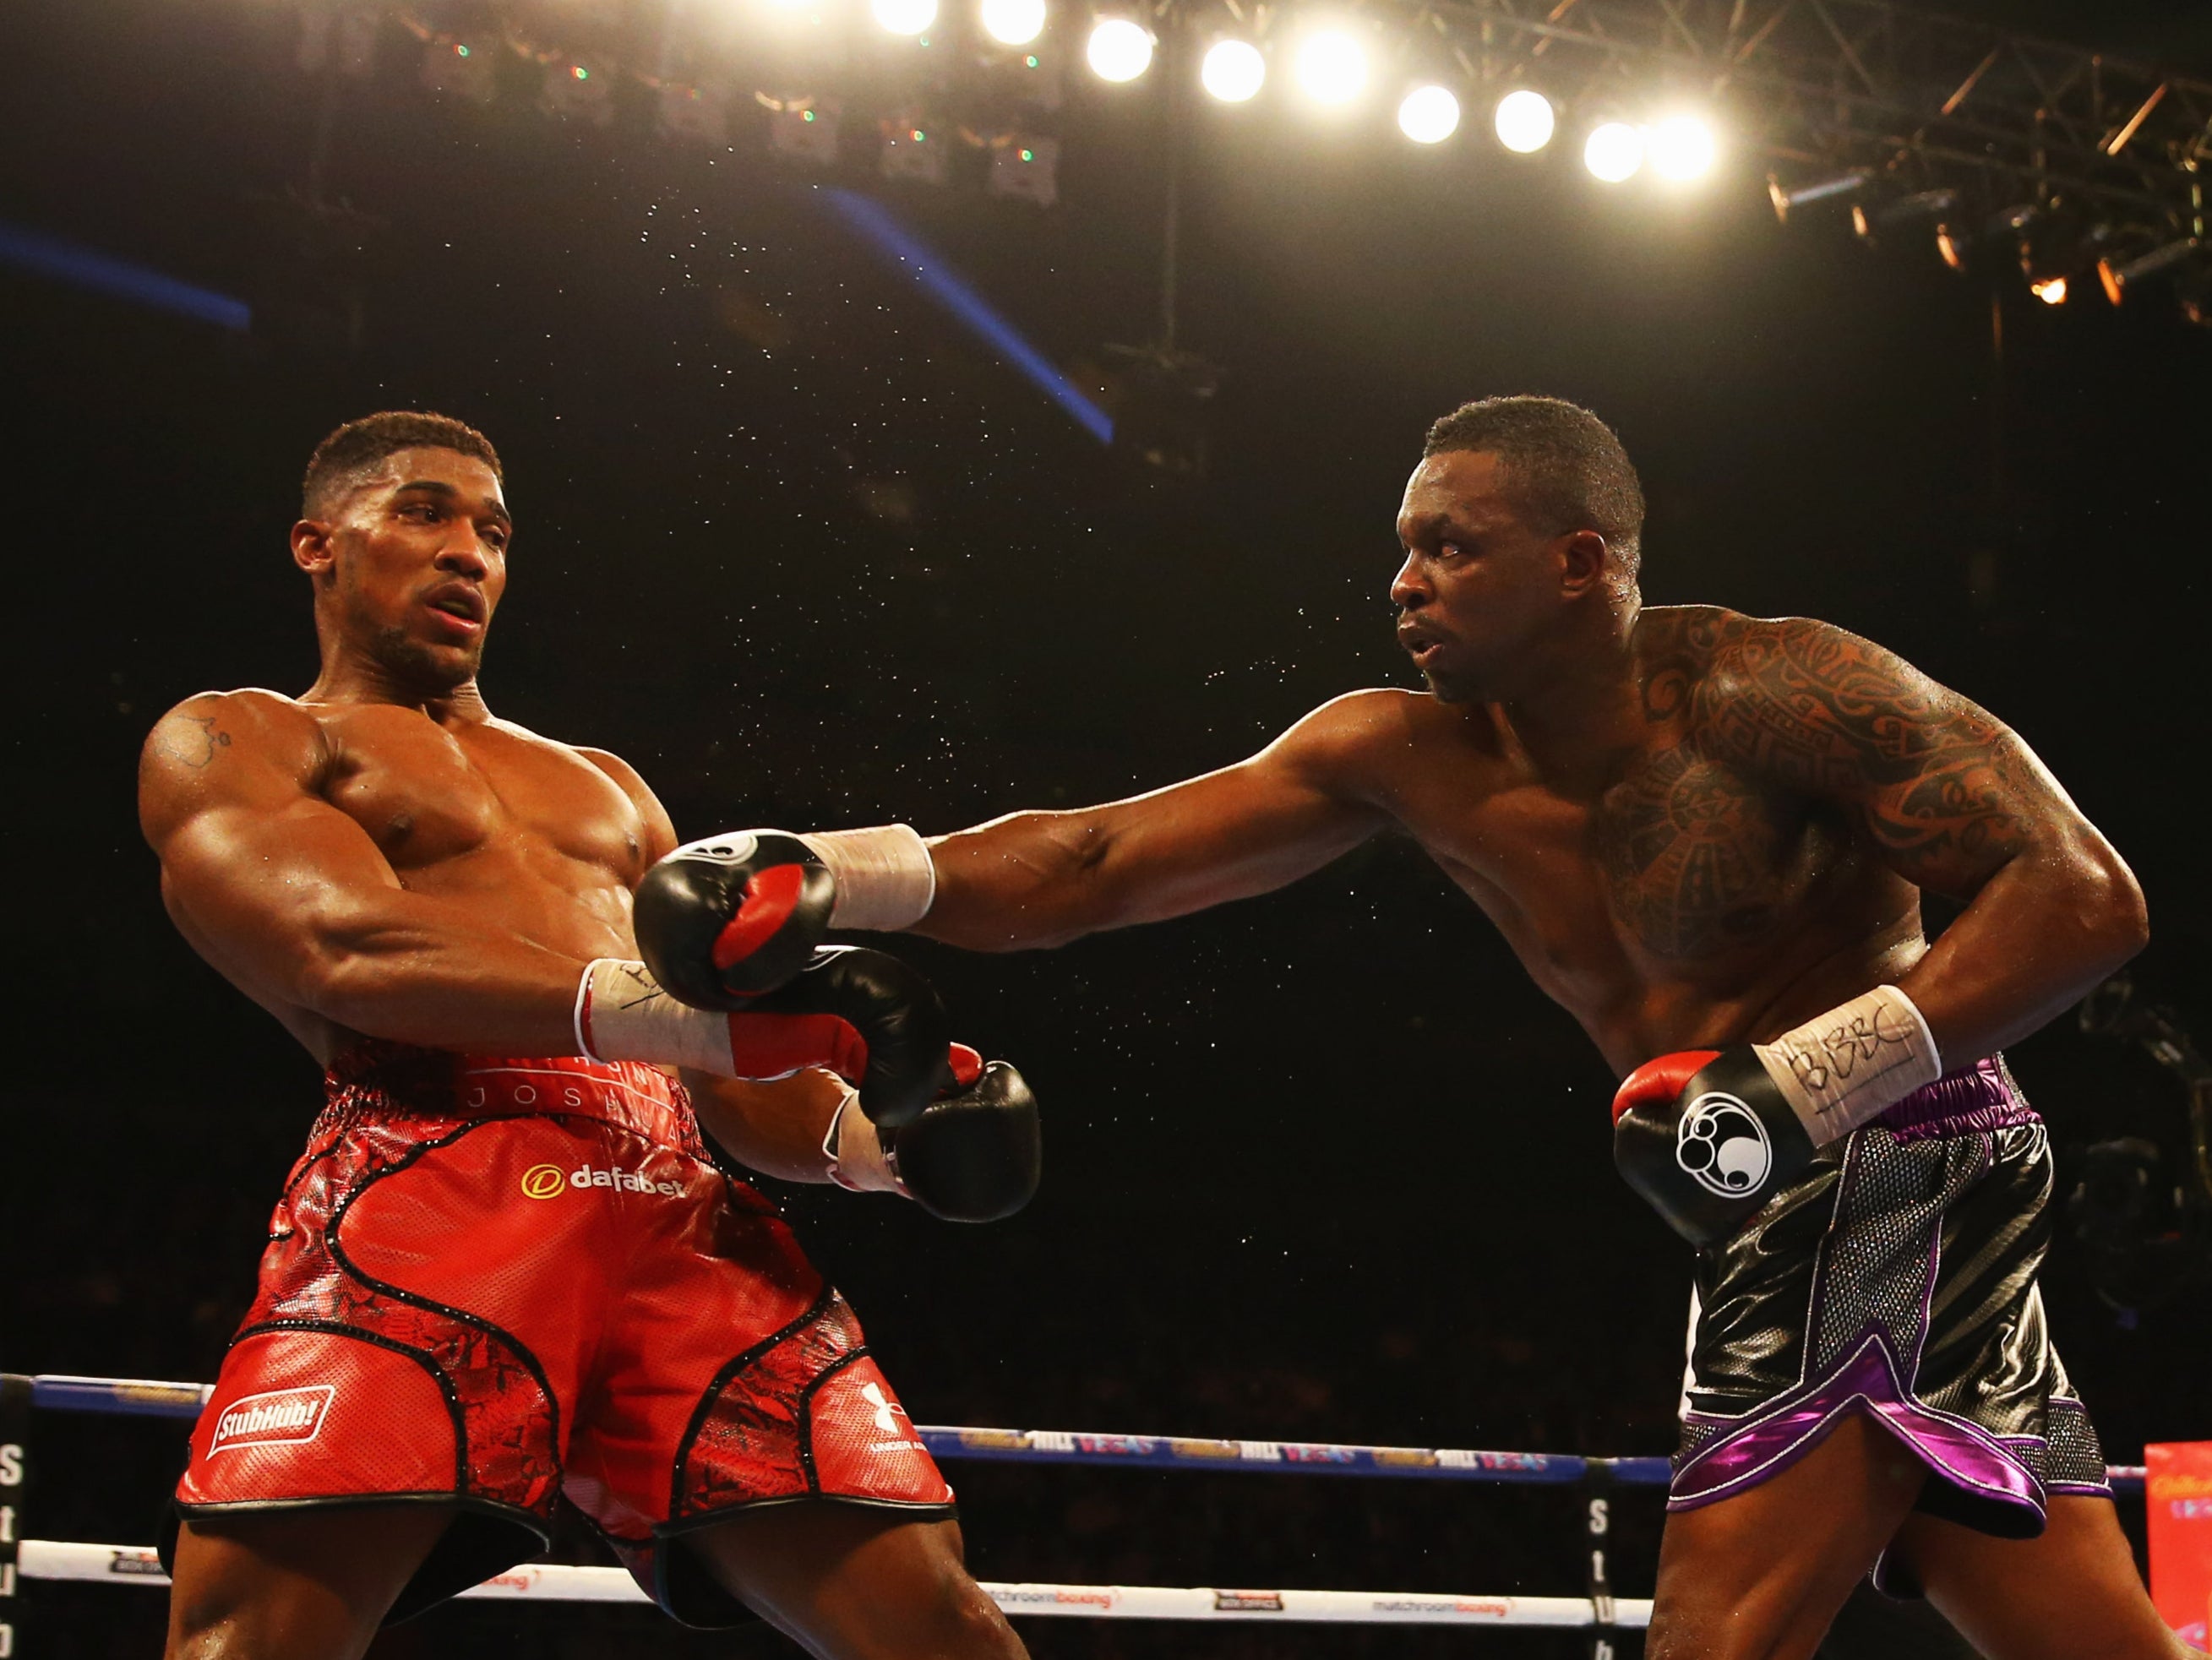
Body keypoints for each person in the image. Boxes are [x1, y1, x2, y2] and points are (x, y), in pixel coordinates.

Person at [644, 396, 2182, 1658]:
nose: (1405, 580)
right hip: (1771, 1188)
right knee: (2081, 1636)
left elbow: (2083, 896)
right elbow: (1094, 864)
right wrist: (827, 870)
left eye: (1454, 545)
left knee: (1717, 1643)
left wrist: (1792, 1087)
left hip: (1883, 1160)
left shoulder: (1776, 689)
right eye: (1401, 548)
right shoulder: (1396, 754)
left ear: (1582, 560)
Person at [137, 411, 1038, 1660]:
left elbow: (719, 1070)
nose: (468, 553)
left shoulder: (610, 785)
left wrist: (872, 1137)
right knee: (257, 1639)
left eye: (493, 532)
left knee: (941, 1627)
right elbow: (341, 949)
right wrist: (695, 1022)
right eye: (423, 512)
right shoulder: (246, 737)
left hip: (678, 1207)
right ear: (316, 544)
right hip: (437, 1179)